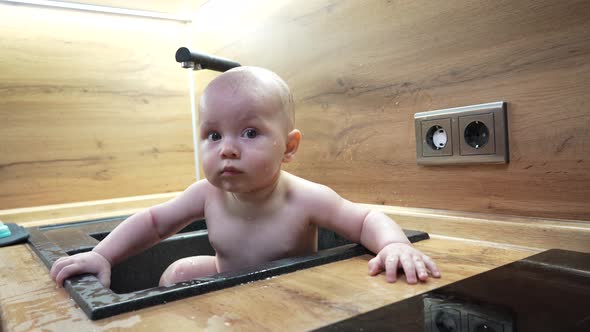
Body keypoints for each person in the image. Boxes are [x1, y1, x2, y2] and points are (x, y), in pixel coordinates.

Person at [50, 66, 440, 288]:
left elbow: (365, 218)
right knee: (179, 271)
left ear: (289, 147)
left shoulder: (304, 198)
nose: (227, 148)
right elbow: (153, 223)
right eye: (213, 135)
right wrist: (103, 255)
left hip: (294, 292)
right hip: (227, 287)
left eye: (250, 133)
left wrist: (392, 245)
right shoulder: (205, 194)